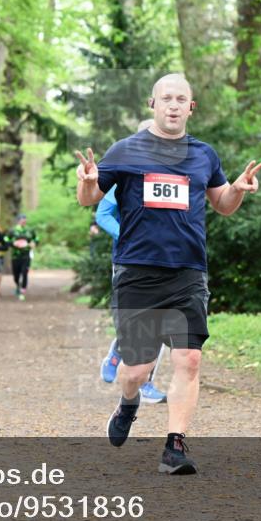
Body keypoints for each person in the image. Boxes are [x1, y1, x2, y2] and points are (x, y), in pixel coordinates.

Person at [75, 74, 261, 474]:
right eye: (167, 99)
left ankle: (174, 447)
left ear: (191, 107)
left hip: (188, 271)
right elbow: (90, 199)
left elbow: (222, 205)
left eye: (181, 99)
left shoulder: (203, 156)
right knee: (137, 370)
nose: (174, 105)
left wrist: (237, 188)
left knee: (189, 359)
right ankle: (128, 403)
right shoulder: (126, 150)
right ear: (153, 105)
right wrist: (89, 183)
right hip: (137, 272)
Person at [96, 119, 167, 405]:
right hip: (130, 260)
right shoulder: (125, 176)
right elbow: (102, 214)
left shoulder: (174, 175)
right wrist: (128, 236)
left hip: (167, 261)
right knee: (135, 321)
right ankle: (118, 351)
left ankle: (147, 382)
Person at [6, 214, 38, 300]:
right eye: (22, 220)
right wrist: (13, 243)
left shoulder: (30, 230)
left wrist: (34, 243)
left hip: (26, 255)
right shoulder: (12, 231)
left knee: (24, 272)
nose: (24, 221)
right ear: (18, 220)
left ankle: (22, 290)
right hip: (15, 256)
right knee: (16, 274)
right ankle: (17, 285)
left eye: (25, 220)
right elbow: (6, 239)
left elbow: (36, 239)